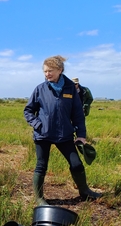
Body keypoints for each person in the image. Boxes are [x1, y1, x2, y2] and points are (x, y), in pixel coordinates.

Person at [24, 55, 102, 205]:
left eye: (50, 71)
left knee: (76, 164)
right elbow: (28, 111)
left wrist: (81, 135)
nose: (47, 74)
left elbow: (78, 114)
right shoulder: (40, 89)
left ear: (60, 70)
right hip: (43, 135)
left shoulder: (70, 88)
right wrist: (38, 125)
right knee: (41, 166)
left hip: (64, 134)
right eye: (45, 71)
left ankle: (85, 192)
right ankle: (39, 198)